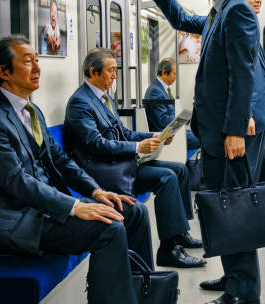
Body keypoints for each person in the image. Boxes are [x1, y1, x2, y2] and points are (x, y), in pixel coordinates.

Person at [0, 35, 152, 304]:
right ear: (3, 72)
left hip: (46, 212)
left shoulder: (31, 109)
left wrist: (96, 191)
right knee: (110, 227)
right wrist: (75, 207)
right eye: (28, 62)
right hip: (17, 222)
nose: (37, 68)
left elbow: (61, 162)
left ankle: (145, 303)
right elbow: (17, 182)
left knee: (134, 212)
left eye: (37, 61)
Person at [146, 0, 261, 304]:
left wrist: (235, 131)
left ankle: (244, 288)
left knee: (234, 208)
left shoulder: (238, 10)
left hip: (225, 134)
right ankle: (233, 276)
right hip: (213, 132)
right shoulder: (218, 13)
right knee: (221, 205)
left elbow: (242, 75)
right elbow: (180, 18)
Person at [64, 48, 205, 269]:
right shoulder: (80, 103)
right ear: (93, 71)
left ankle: (179, 233)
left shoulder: (104, 98)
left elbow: (125, 134)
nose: (114, 76)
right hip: (104, 169)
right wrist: (137, 147)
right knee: (167, 178)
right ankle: (169, 249)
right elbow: (96, 144)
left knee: (178, 170)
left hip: (119, 162)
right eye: (110, 71)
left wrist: (154, 136)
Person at [242, 0, 265, 181]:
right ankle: (241, 210)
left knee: (253, 170)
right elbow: (241, 78)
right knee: (246, 172)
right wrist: (248, 114)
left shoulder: (252, 27)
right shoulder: (241, 29)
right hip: (251, 118)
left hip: (261, 115)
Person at [144, 57, 200, 152]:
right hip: (164, 135)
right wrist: (183, 118)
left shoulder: (161, 89)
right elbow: (163, 121)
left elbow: (170, 113)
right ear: (164, 73)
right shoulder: (155, 91)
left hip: (171, 132)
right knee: (202, 139)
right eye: (174, 74)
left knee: (201, 135)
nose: (175, 77)